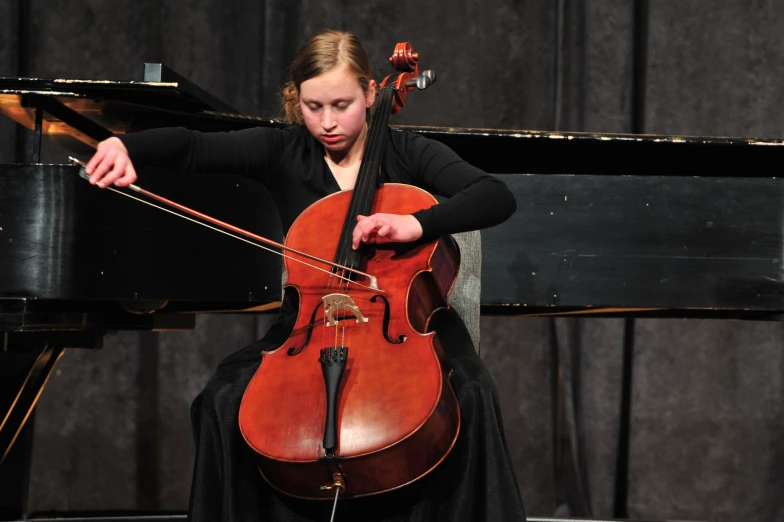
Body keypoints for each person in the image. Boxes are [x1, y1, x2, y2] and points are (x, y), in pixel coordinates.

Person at [85, 29, 526, 522]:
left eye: (342, 104)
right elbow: (192, 147)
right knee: (222, 400)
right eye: (314, 107)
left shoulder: (407, 154)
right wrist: (127, 147)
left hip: (408, 323)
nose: (328, 122)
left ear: (372, 93)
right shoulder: (283, 151)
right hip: (308, 324)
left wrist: (415, 222)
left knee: (470, 393)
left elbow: (495, 196)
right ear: (297, 100)